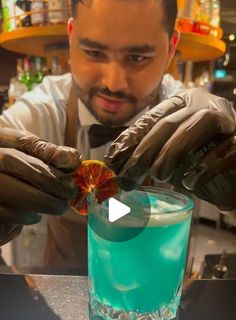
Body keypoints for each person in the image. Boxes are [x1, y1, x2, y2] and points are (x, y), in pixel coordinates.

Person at [0, 0, 235, 271]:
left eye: (137, 58)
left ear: (170, 48)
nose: (113, 83)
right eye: (93, 52)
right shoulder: (39, 113)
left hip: (158, 300)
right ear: (71, 36)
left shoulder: (194, 121)